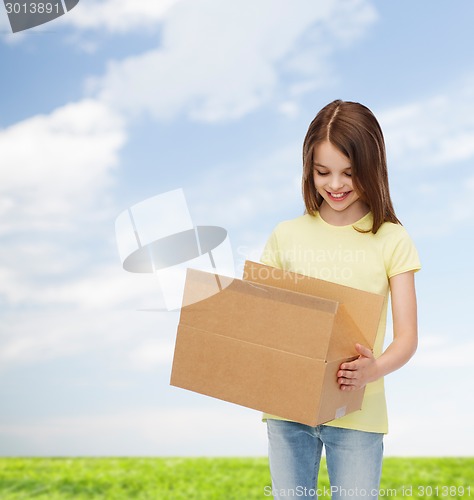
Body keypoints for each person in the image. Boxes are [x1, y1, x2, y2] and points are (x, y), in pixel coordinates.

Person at [260, 100, 421, 500]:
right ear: (308, 170)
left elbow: (407, 338)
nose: (335, 185)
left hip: (358, 411)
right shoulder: (286, 235)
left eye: (350, 173)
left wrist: (373, 369)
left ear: (372, 169)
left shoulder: (391, 239)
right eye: (322, 172)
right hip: (287, 407)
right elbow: (262, 317)